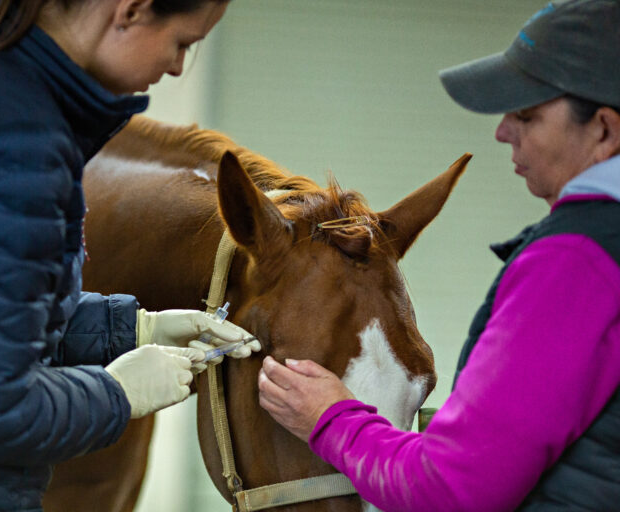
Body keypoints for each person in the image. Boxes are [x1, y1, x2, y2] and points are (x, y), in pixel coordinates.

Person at [0, 0, 261, 511]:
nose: (177, 67)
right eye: (182, 43)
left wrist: (135, 329)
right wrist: (116, 394)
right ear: (130, 11)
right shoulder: (12, 140)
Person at [257, 1, 620, 510]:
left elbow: (456, 484)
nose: (502, 131)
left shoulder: (578, 261)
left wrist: (331, 418)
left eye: (526, 113)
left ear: (604, 129)